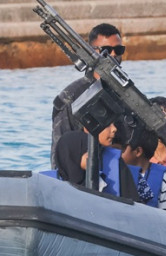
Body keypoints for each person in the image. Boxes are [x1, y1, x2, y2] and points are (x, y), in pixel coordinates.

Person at [50, 23, 125, 168]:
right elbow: (60, 153)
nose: (113, 55)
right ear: (91, 52)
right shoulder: (71, 97)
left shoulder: (125, 92)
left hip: (122, 171)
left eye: (118, 50)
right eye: (106, 50)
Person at [121, 126, 166, 211]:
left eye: (123, 148)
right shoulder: (117, 172)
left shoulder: (164, 179)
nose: (119, 151)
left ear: (138, 151)